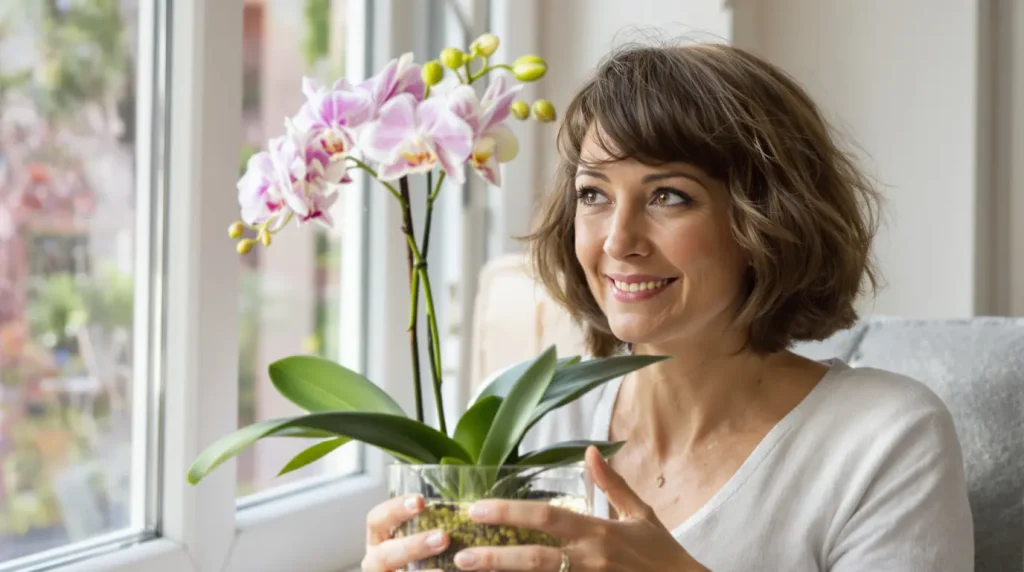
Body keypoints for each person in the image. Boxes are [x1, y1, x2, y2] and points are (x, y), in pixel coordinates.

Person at [361, 42, 974, 571]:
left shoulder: (885, 438)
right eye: (593, 194)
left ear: (768, 223)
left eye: (670, 196)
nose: (618, 241)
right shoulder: (521, 418)